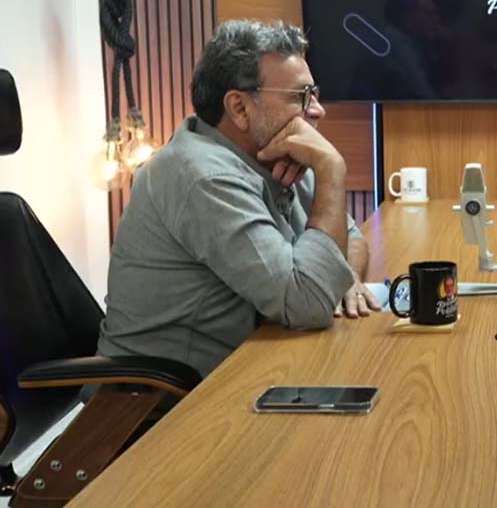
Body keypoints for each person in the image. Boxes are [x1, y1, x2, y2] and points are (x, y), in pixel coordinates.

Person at [97, 20, 380, 378]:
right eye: (300, 96)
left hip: (246, 368)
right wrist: (332, 169)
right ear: (240, 108)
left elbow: (349, 237)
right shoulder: (202, 175)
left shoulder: (282, 153)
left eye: (315, 93)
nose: (317, 110)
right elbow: (308, 303)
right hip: (161, 398)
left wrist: (346, 278)